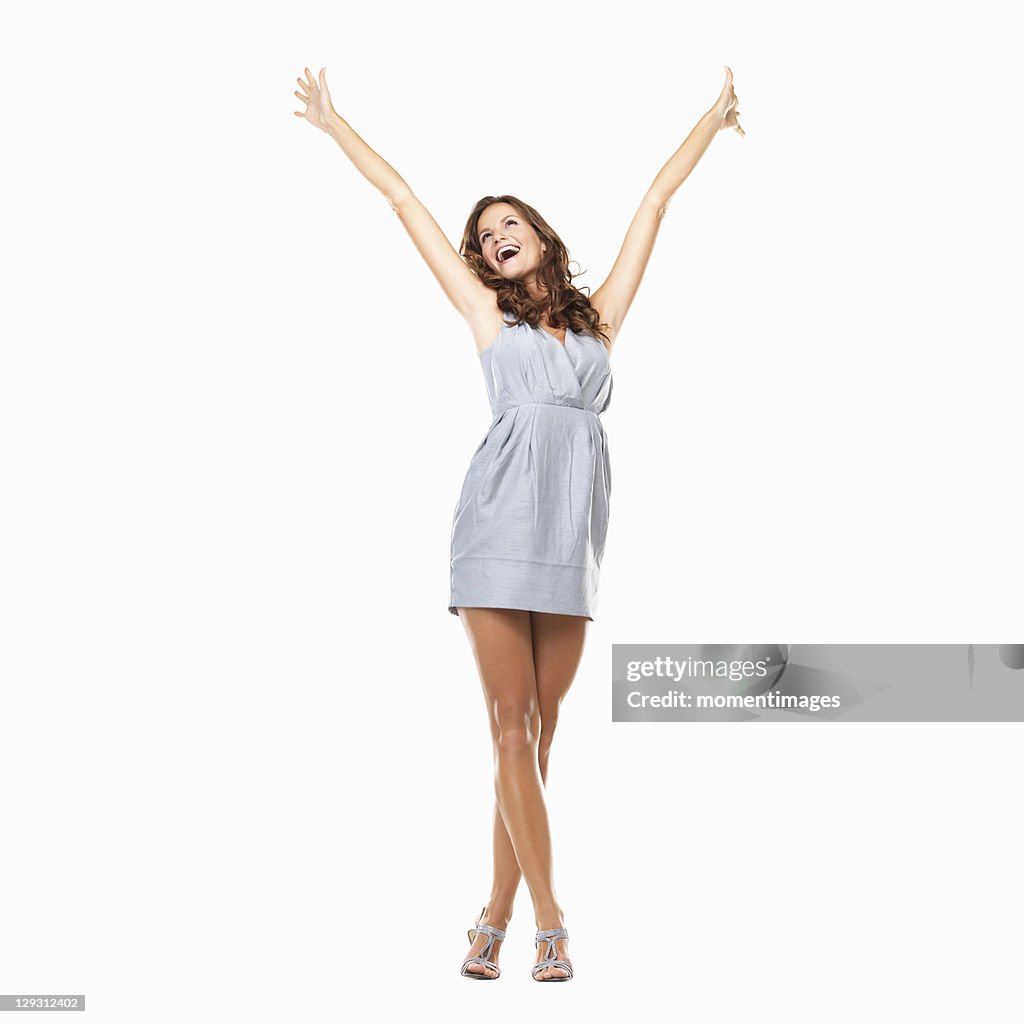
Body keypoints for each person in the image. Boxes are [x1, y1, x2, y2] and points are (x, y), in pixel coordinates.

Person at [293, 65, 743, 981]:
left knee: (538, 742)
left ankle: (489, 914)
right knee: (509, 728)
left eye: (510, 225)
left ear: (541, 235)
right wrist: (336, 124)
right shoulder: (487, 317)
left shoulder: (600, 325)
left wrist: (715, 114)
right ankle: (551, 921)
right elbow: (402, 197)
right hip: (495, 535)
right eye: (485, 235)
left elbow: (655, 201)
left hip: (572, 545)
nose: (497, 240)